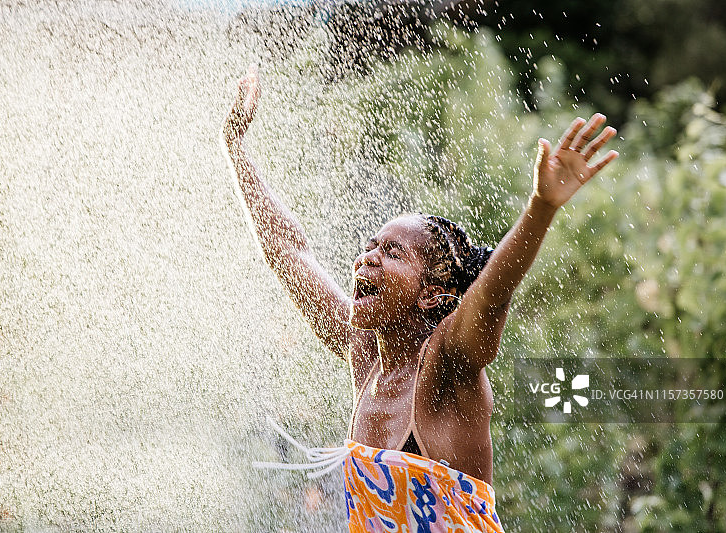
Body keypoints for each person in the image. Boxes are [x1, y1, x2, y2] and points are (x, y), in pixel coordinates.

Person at [222, 64, 618, 532]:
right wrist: (236, 150)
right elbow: (289, 250)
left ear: (432, 294)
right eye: (369, 247)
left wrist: (541, 207)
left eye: (392, 252)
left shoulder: (448, 364)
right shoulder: (366, 356)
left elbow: (493, 291)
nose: (366, 259)